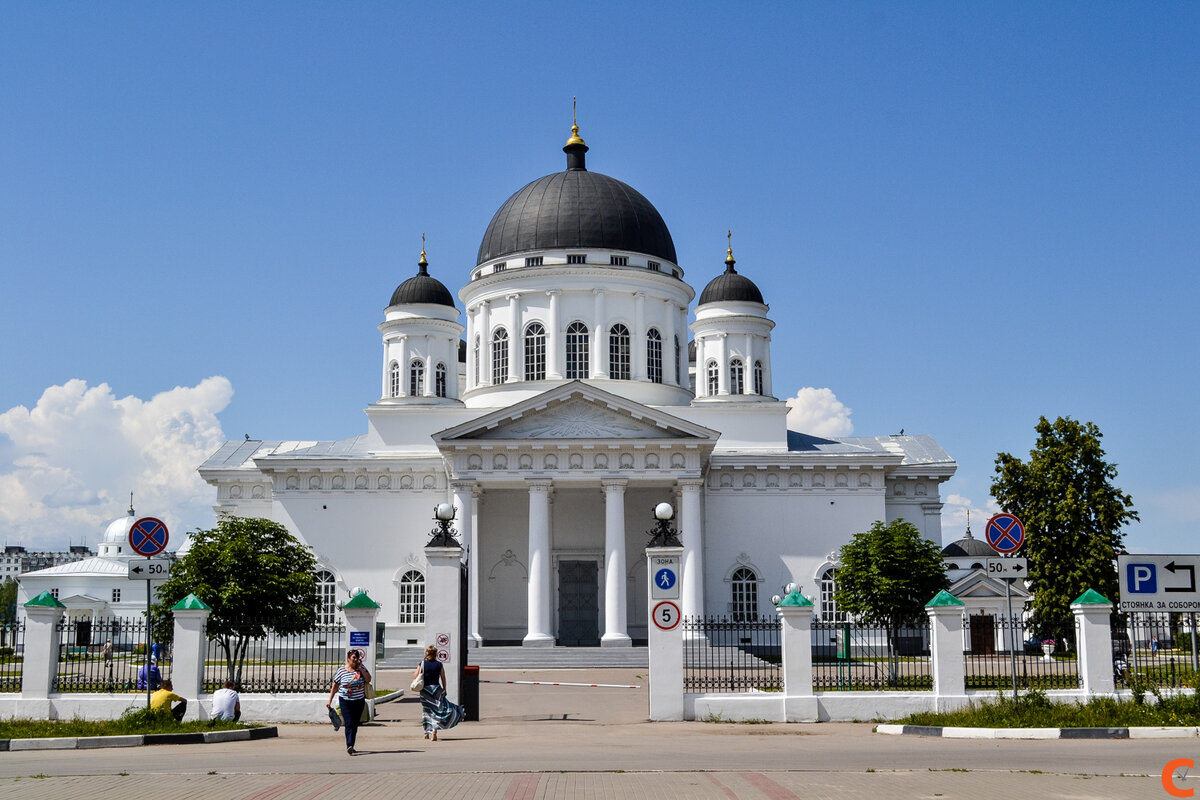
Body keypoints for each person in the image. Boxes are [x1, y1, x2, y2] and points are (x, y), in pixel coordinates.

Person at [413, 644, 464, 741]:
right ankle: (434, 731)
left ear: (427, 653)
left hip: (425, 691)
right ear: (436, 654)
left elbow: (415, 676)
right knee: (437, 711)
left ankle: (426, 732)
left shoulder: (422, 663)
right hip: (437, 690)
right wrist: (445, 688)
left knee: (427, 711)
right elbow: (443, 678)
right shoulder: (439, 664)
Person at [326, 648, 371, 755]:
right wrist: (329, 700)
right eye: (353, 658)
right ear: (348, 658)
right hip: (345, 701)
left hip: (359, 701)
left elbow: (368, 679)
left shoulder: (361, 668)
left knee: (355, 724)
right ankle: (349, 745)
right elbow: (335, 686)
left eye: (357, 658)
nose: (355, 660)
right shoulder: (341, 670)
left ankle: (351, 744)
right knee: (349, 723)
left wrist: (361, 669)